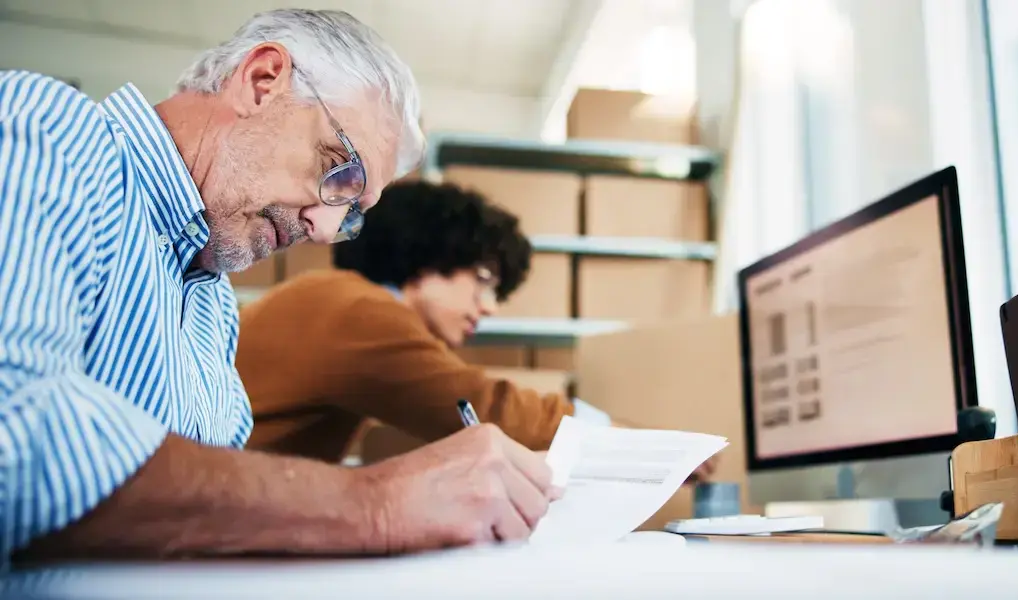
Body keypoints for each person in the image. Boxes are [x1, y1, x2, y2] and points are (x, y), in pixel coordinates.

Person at [0, 9, 557, 563]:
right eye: (339, 169)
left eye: (352, 213)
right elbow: (14, 438)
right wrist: (377, 504)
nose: (324, 229)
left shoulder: (212, 303)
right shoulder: (51, 130)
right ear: (262, 81)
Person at [236, 180, 719, 480]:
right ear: (426, 260)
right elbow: (486, 409)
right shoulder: (356, 312)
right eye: (483, 281)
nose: (488, 307)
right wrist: (636, 439)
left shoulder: (328, 298)